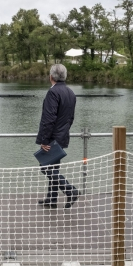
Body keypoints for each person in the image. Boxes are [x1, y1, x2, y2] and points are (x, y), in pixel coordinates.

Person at [36, 64, 79, 209]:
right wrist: (64, 131)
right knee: (54, 167)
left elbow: (49, 118)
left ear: (51, 77)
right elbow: (71, 118)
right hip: (62, 135)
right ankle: (52, 199)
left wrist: (44, 140)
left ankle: (70, 190)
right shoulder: (70, 93)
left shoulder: (53, 93)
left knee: (45, 167)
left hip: (52, 137)